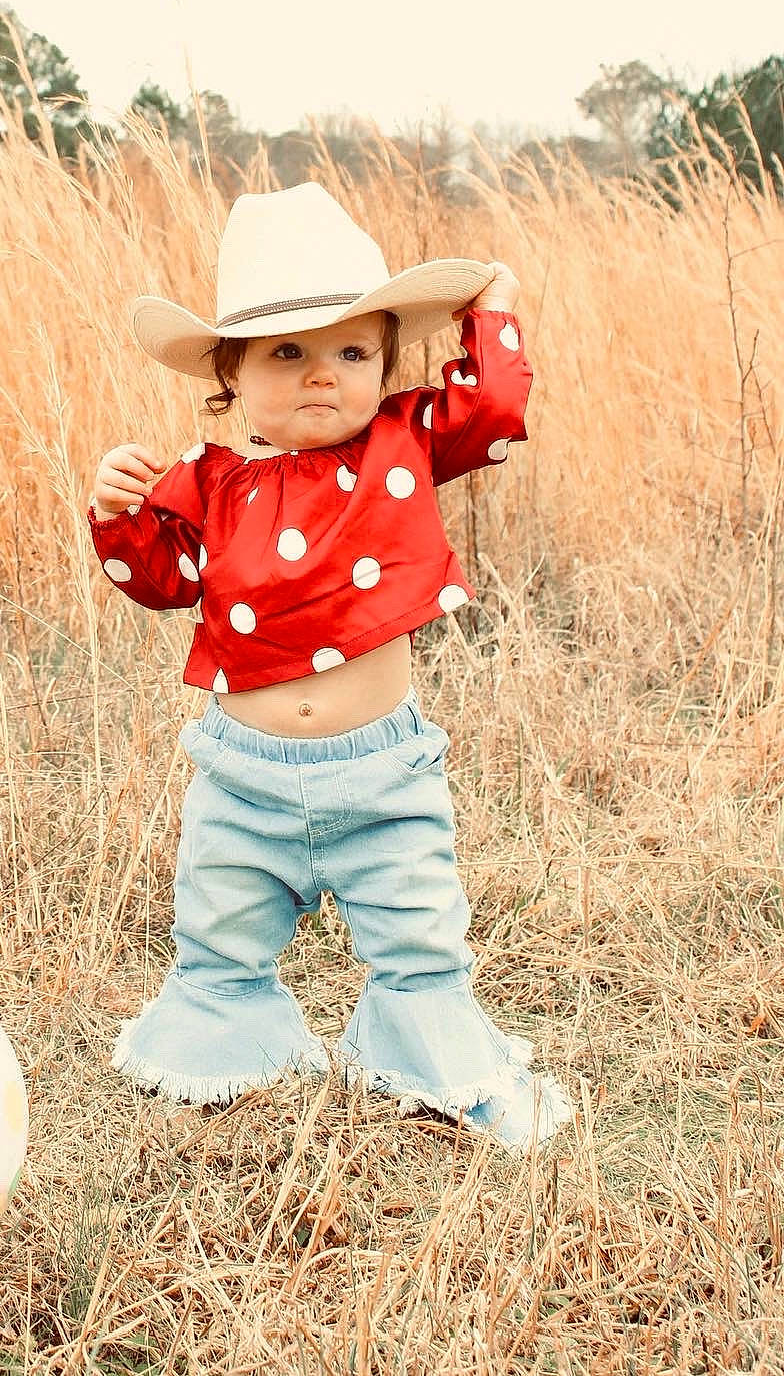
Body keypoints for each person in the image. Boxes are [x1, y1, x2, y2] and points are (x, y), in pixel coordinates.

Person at [89, 182, 572, 1151]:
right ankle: (226, 1045)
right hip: (243, 779)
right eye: (287, 352)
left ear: (384, 362)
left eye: (353, 350)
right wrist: (116, 510)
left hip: (382, 775)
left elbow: (494, 405)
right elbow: (162, 581)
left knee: (419, 937)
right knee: (219, 935)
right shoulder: (210, 485)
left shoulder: (404, 442)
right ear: (228, 376)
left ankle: (430, 1059)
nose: (324, 375)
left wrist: (495, 308)